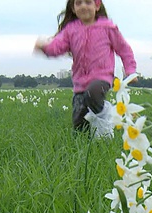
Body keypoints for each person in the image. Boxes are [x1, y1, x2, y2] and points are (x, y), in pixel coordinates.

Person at [34, 0, 137, 135]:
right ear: (73, 8)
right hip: (80, 82)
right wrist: (45, 48)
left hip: (103, 77)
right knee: (79, 123)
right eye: (78, 3)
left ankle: (106, 117)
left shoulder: (108, 27)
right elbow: (58, 47)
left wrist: (131, 71)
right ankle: (83, 145)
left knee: (93, 94)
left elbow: (124, 50)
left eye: (88, 2)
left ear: (97, 6)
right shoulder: (70, 30)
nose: (83, 6)